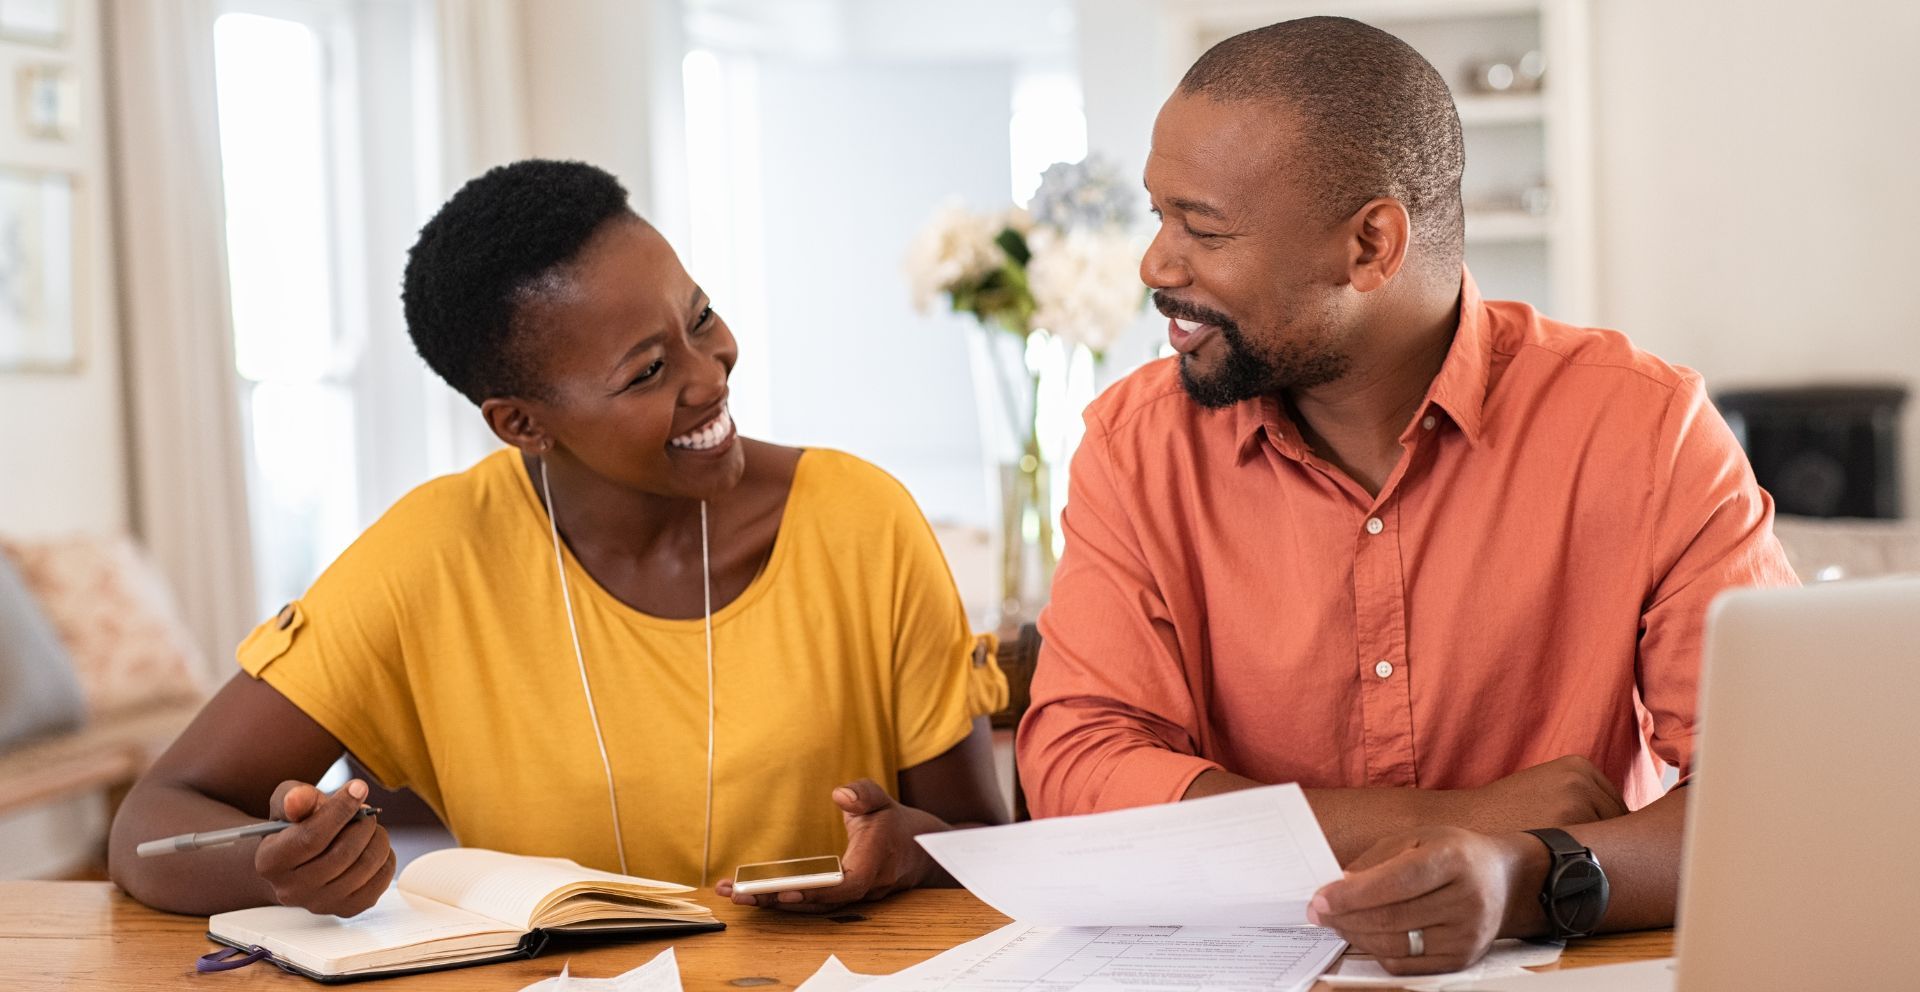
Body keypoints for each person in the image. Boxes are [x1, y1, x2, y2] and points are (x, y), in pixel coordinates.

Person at [1016, 16, 1796, 975]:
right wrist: (1445, 821)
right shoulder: (1137, 448)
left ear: (1372, 245)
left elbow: (1778, 792)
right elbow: (1077, 769)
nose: (1156, 265)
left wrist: (1525, 872)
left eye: (1204, 229)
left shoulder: (1643, 429)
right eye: (1159, 216)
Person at [108, 159, 1008, 919]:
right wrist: (281, 869)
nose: (711, 374)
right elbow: (152, 822)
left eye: (699, 317)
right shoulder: (432, 557)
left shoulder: (861, 520)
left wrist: (905, 852)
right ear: (522, 424)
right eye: (649, 371)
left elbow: (981, 845)